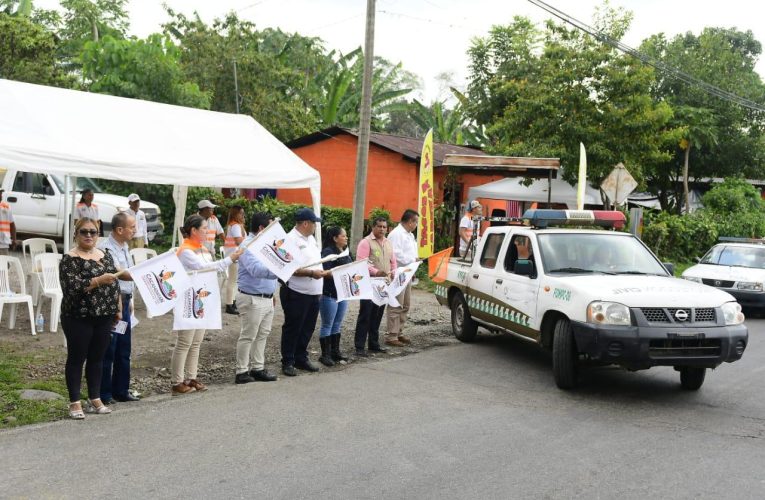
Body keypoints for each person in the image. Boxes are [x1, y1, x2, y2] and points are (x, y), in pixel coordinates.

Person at [172, 214, 244, 395]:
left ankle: (191, 377)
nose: (207, 231)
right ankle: (177, 381)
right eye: (204, 228)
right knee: (184, 342)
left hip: (201, 299)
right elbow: (206, 268)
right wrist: (230, 258)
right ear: (193, 230)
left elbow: (210, 268)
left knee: (196, 342)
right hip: (188, 301)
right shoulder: (186, 250)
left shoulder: (203, 248)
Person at [59, 218, 121, 419]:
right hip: (79, 316)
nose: (88, 235)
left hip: (105, 314)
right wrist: (97, 281)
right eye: (84, 232)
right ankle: (75, 402)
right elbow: (72, 288)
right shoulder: (69, 259)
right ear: (76, 234)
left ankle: (95, 398)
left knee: (97, 358)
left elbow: (114, 280)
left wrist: (118, 307)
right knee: (77, 359)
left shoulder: (105, 255)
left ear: (98, 235)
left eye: (93, 232)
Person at [280, 208, 330, 377]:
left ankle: (301, 357)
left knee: (307, 327)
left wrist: (321, 278)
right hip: (296, 291)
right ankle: (287, 361)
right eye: (314, 223)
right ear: (306, 223)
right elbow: (289, 268)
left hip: (313, 292)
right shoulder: (290, 239)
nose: (316, 226)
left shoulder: (311, 240)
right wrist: (311, 273)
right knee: (293, 328)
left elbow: (315, 262)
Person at [98, 212, 139, 404]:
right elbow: (118, 274)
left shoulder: (125, 247)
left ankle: (121, 390)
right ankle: (104, 393)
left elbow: (129, 277)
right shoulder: (106, 248)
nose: (135, 230)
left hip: (125, 300)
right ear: (119, 229)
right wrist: (143, 274)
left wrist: (130, 300)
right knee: (109, 349)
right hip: (112, 302)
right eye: (132, 227)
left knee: (124, 348)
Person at [234, 212, 279, 384]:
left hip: (266, 297)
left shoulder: (264, 244)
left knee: (263, 334)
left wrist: (272, 292)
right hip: (251, 297)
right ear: (261, 228)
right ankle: (241, 371)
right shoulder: (248, 245)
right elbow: (256, 270)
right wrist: (280, 269)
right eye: (270, 226)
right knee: (248, 335)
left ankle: (258, 368)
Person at [354, 216, 397, 357]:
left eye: (385, 227)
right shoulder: (365, 243)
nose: (382, 229)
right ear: (373, 227)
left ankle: (373, 344)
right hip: (369, 284)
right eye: (379, 226)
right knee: (365, 315)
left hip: (383, 285)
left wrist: (394, 273)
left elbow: (393, 262)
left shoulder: (388, 243)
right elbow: (361, 262)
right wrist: (376, 271)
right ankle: (359, 346)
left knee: (377, 315)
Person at [318, 226, 352, 366]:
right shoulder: (328, 252)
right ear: (335, 238)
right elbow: (325, 272)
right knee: (327, 324)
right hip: (329, 294)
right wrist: (341, 272)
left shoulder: (345, 252)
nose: (346, 238)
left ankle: (335, 351)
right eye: (343, 236)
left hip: (342, 294)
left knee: (337, 324)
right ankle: (325, 355)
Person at [386, 209, 419, 347]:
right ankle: (391, 335)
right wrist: (412, 259)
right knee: (396, 304)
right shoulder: (397, 234)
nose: (416, 224)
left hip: (408, 272)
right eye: (415, 221)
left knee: (405, 304)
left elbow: (412, 252)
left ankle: (399, 332)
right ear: (410, 221)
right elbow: (395, 254)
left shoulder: (409, 235)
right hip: (398, 273)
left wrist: (414, 265)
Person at [224, 205, 246, 315]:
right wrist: (248, 240)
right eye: (241, 213)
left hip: (233, 256)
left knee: (233, 281)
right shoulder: (236, 226)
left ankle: (232, 302)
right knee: (232, 281)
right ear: (235, 214)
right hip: (234, 256)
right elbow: (238, 241)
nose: (243, 215)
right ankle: (229, 304)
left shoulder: (236, 225)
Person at [0, 189, 17, 255]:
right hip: (3, 243)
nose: (1, 195)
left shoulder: (6, 207)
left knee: (4, 264)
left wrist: (14, 240)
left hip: (3, 244)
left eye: (1, 193)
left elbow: (12, 224)